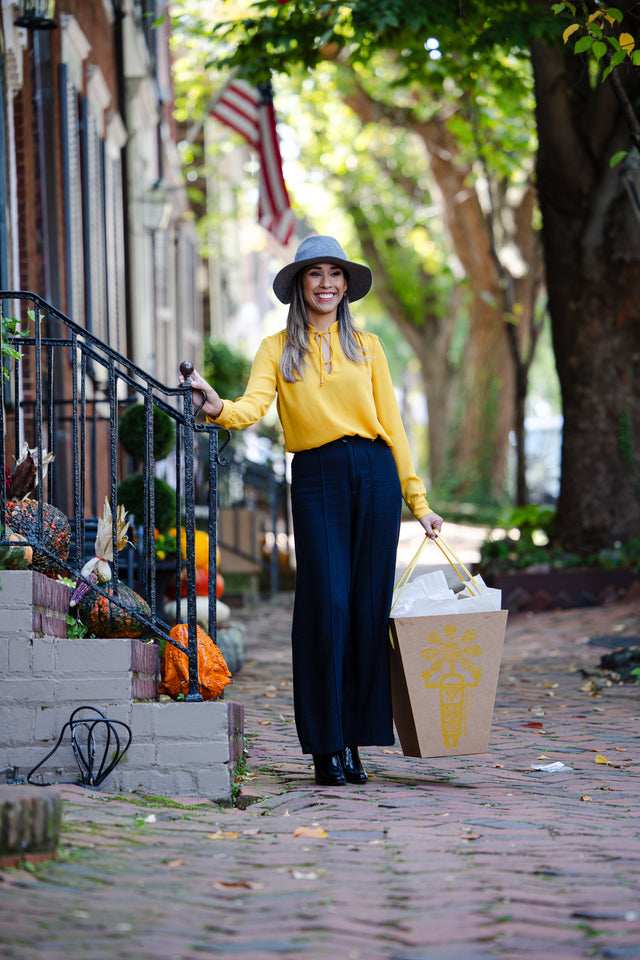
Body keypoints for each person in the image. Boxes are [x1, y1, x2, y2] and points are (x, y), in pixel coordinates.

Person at [181, 235, 443, 787]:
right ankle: (326, 746)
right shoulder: (277, 348)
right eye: (315, 274)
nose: (326, 284)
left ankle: (355, 743)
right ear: (300, 284)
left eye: (335, 274)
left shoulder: (368, 346)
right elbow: (253, 406)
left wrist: (417, 501)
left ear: (346, 285)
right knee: (327, 605)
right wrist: (218, 406)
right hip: (318, 476)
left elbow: (393, 426)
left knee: (368, 608)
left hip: (373, 472)